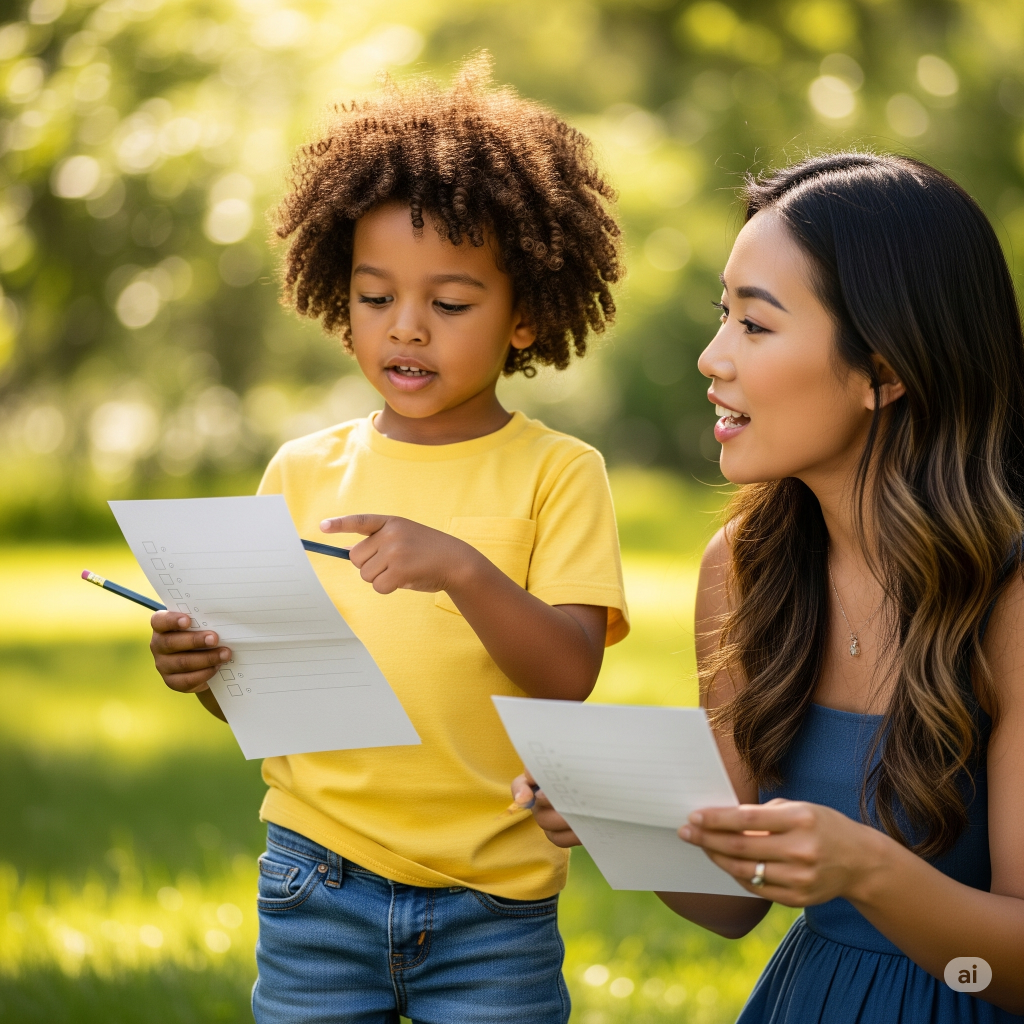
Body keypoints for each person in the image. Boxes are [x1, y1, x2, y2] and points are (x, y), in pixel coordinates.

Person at [148, 58, 629, 1024]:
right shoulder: (299, 470)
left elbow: (568, 674)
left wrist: (458, 567)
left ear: (526, 315)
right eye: (375, 298)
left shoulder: (560, 472)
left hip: (492, 902)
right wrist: (204, 668)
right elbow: (266, 696)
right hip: (313, 880)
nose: (407, 329)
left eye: (449, 305)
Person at [513, 152, 1024, 1020]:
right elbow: (733, 904)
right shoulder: (745, 569)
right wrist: (619, 815)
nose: (712, 358)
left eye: (756, 324)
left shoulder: (1010, 599)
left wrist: (863, 867)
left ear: (886, 370)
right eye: (724, 315)